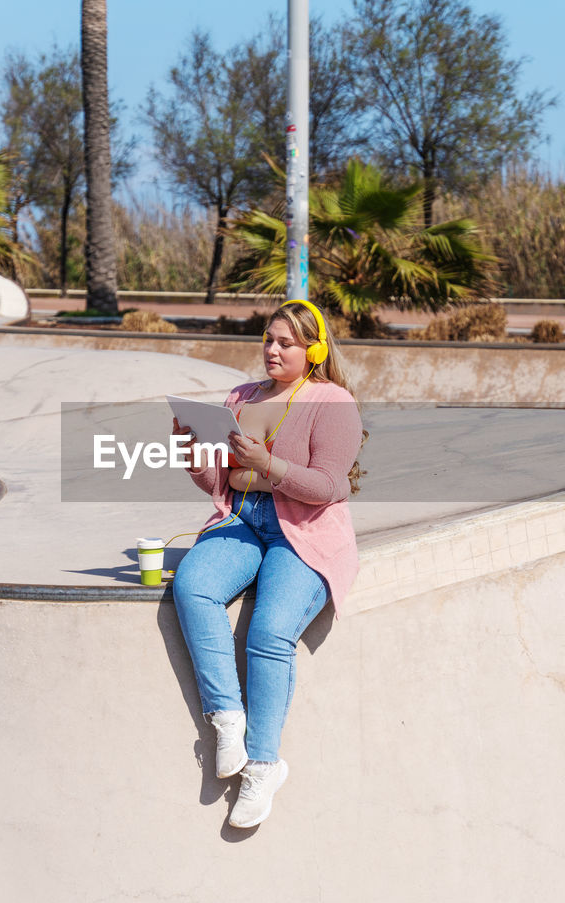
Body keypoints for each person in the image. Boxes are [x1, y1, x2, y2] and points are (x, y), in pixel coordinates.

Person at [169, 299, 364, 829]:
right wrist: (193, 453)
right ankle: (227, 718)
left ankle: (263, 764)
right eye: (268, 340)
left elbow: (328, 486)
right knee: (193, 587)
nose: (272, 350)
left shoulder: (332, 400)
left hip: (303, 528)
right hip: (244, 518)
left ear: (314, 350)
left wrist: (269, 464)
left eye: (286, 343)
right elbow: (217, 483)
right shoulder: (240, 397)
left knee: (271, 629)